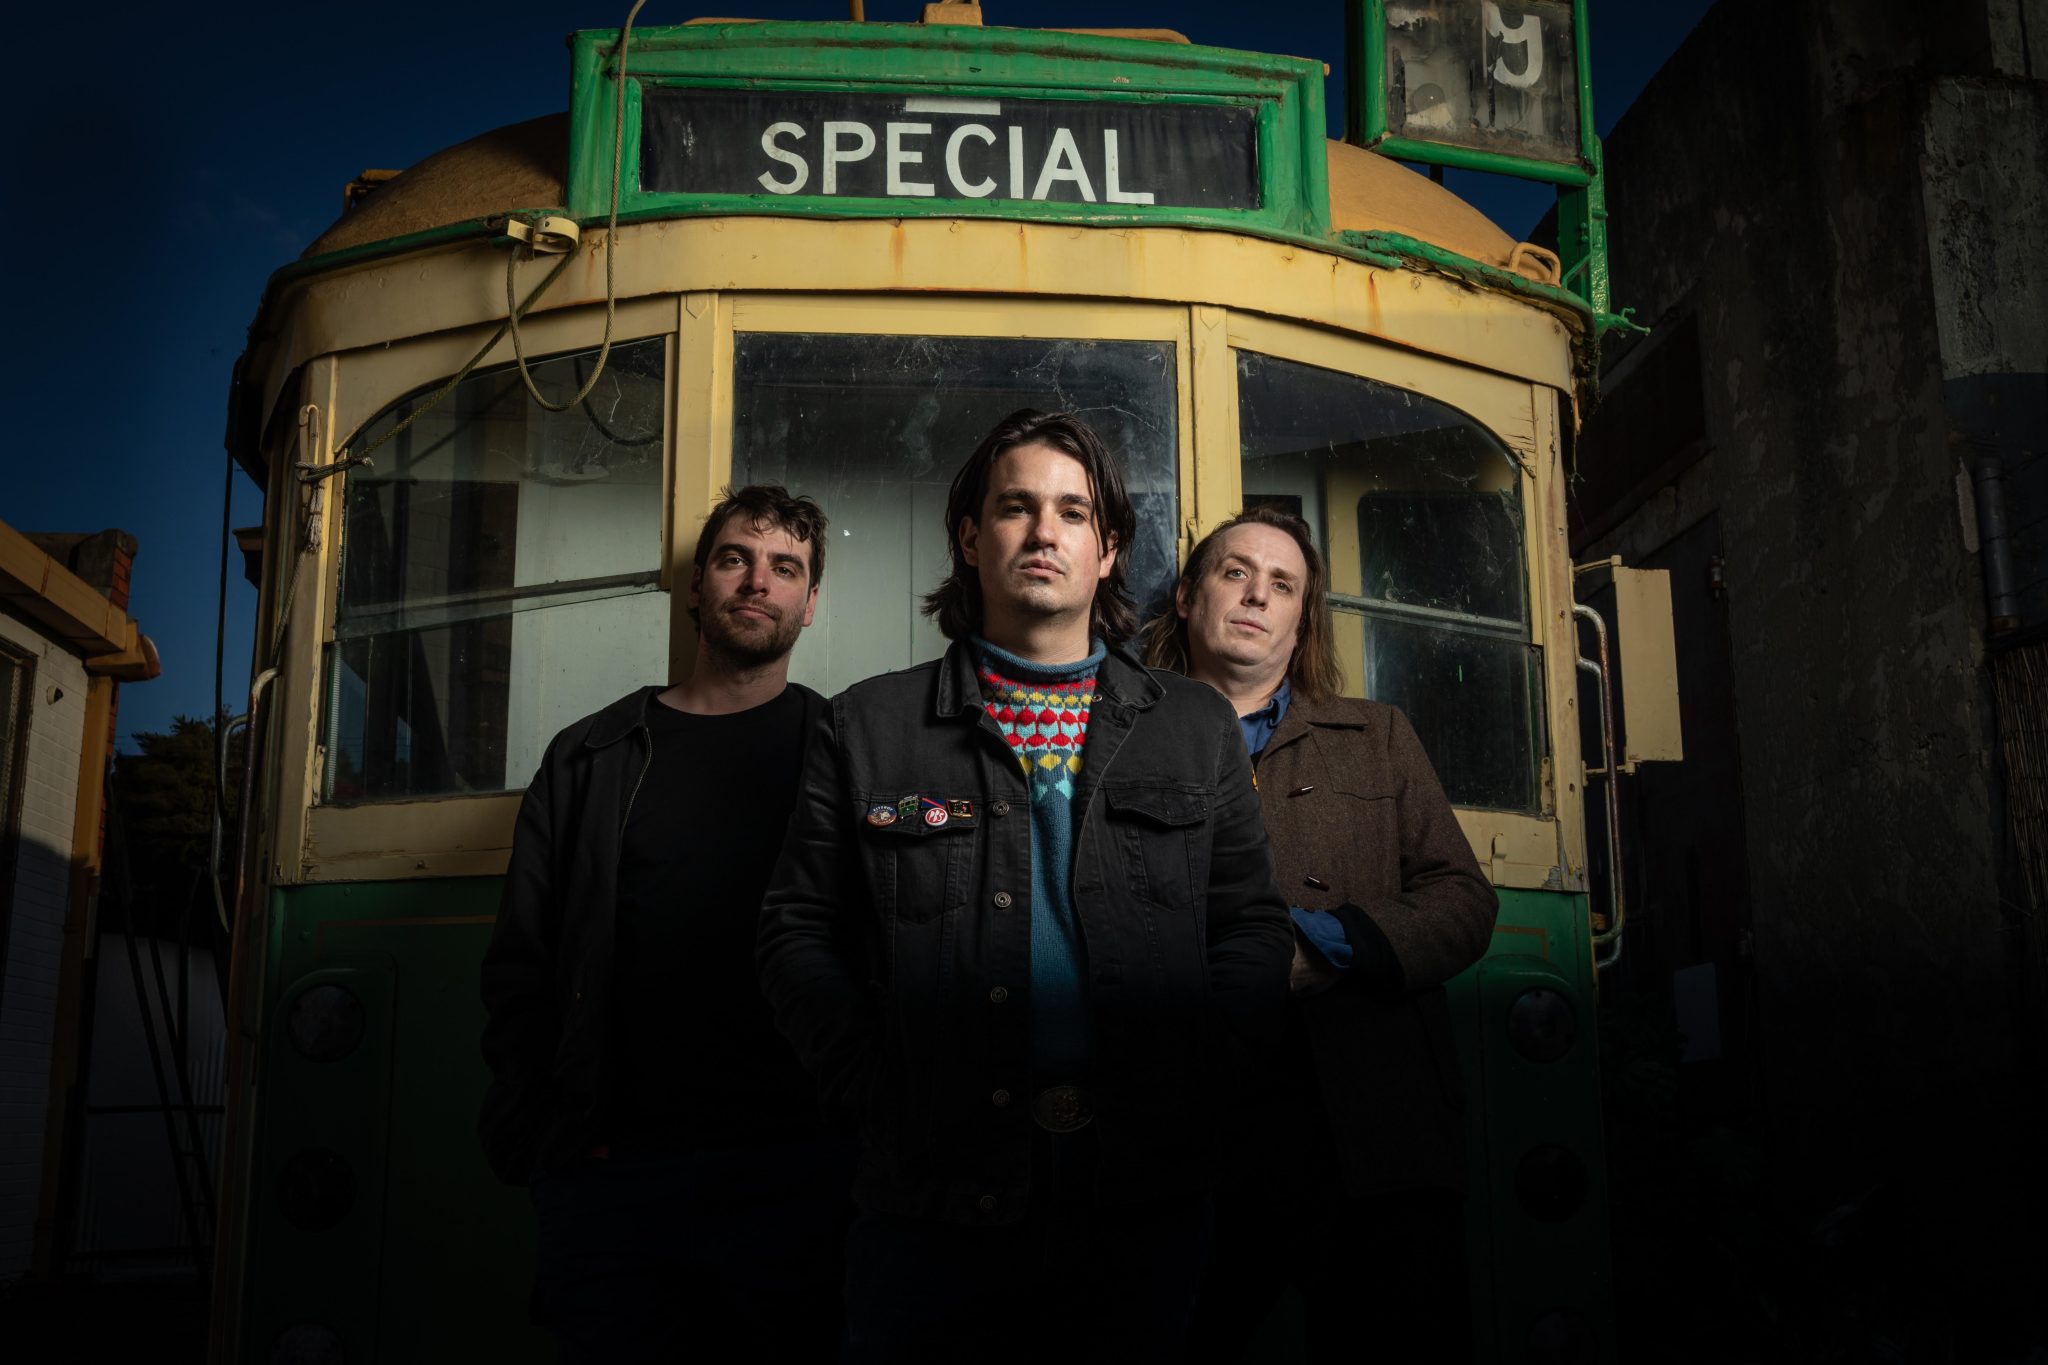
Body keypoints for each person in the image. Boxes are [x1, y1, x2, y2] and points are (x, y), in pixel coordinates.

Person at [757, 409, 1292, 1363]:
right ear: (970, 538)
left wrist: (1198, 1077)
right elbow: (796, 932)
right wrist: (876, 1088)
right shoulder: (866, 725)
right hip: (932, 1192)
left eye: (1073, 512)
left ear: (1108, 550)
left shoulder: (1194, 726)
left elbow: (1249, 927)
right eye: (1016, 507)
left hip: (1144, 1190)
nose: (1045, 531)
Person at [479, 485, 851, 1364]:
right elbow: (522, 963)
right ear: (696, 584)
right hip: (615, 1177)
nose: (757, 581)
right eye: (735, 559)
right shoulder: (590, 755)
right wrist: (549, 1142)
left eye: (785, 567)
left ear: (809, 602)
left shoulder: (849, 750)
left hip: (801, 1174)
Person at [1152, 506, 1499, 1365]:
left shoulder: (1378, 736)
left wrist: (1325, 946)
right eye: (1235, 572)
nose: (1256, 596)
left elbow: (1463, 899)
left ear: (1302, 620)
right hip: (1188, 1128)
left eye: (1282, 585)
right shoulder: (1121, 740)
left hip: (1375, 1128)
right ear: (1189, 595)